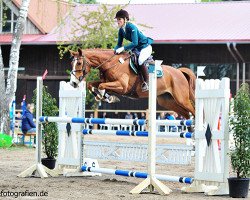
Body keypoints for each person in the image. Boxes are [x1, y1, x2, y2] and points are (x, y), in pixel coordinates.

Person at [114, 9, 153, 92]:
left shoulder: (132, 27)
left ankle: (147, 82)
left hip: (145, 47)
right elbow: (118, 44)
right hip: (137, 48)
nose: (118, 21)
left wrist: (123, 48)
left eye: (119, 19)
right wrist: (114, 51)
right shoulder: (121, 30)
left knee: (140, 60)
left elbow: (135, 43)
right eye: (117, 19)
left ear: (125, 19)